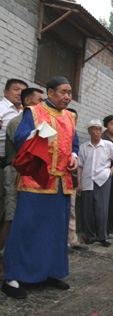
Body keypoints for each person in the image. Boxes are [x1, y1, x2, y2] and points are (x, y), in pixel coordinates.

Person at [1, 76, 79, 299]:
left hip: (61, 182)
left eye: (70, 93)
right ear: (51, 92)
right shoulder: (33, 112)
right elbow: (21, 138)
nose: (67, 97)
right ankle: (12, 276)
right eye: (63, 92)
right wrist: (39, 134)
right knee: (26, 228)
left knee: (56, 230)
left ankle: (49, 272)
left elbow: (74, 143)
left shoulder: (71, 116)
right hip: (36, 180)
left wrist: (74, 156)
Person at [0, 88, 44, 258]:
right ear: (28, 101)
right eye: (39, 100)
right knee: (11, 216)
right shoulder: (17, 122)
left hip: (31, 174)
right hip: (16, 172)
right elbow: (26, 149)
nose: (42, 104)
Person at [78, 119, 113, 247]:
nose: (97, 132)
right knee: (87, 210)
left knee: (101, 209)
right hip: (87, 180)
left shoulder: (108, 145)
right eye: (94, 129)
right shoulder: (84, 147)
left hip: (103, 179)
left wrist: (110, 171)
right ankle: (90, 236)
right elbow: (80, 166)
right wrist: (79, 183)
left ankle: (103, 236)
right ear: (89, 131)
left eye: (99, 130)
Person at [0, 79, 28, 250]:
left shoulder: (23, 113)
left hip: (14, 162)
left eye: (22, 91)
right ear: (5, 92)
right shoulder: (2, 109)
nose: (19, 93)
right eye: (16, 89)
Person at [65, 108, 88, 252]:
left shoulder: (74, 135)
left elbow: (78, 161)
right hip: (57, 178)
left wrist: (78, 182)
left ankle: (73, 240)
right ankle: (63, 242)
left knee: (71, 210)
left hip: (70, 179)